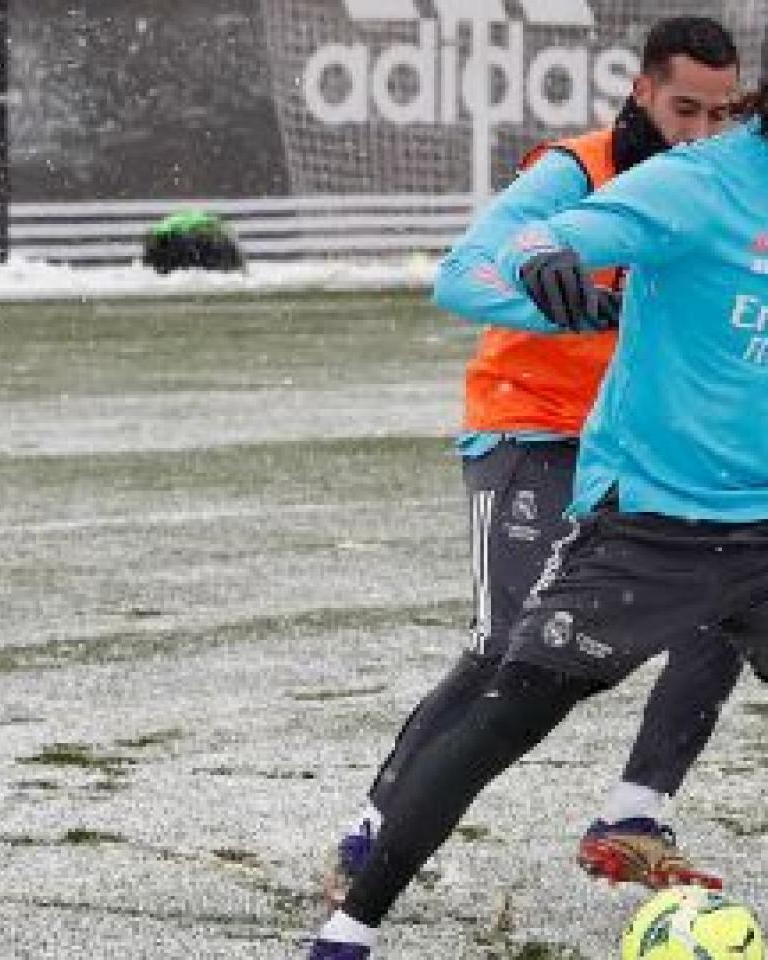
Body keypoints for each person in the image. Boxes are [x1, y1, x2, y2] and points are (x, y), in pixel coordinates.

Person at [306, 1, 768, 957]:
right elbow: (529, 239)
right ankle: (351, 925)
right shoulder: (696, 182)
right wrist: (545, 263)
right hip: (644, 523)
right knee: (508, 709)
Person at [319, 17, 744, 908]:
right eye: (684, 110)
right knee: (506, 649)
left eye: (720, 114)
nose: (701, 133)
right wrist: (552, 304)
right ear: (642, 92)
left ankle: (632, 818)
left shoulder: (721, 188)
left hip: (638, 447)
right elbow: (457, 274)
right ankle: (372, 833)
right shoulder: (575, 172)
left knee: (728, 607)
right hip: (531, 430)